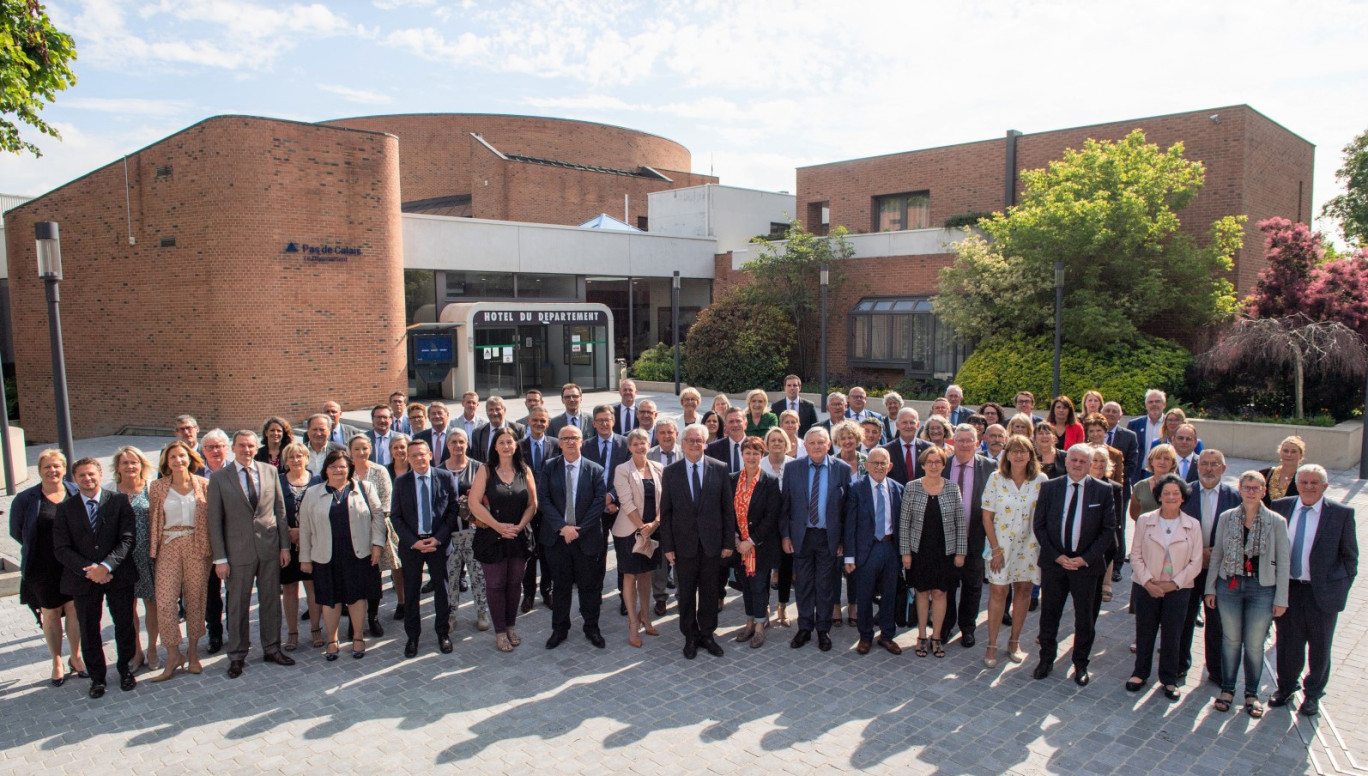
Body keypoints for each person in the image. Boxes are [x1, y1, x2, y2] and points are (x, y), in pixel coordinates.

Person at [1269, 464, 1358, 717]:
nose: (1309, 487)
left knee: (1319, 648)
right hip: (1289, 590)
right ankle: (1285, 687)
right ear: (1297, 484)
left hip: (1322, 594)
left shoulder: (1341, 514)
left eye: (1314, 483)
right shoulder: (1281, 507)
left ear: (1325, 486)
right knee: (1287, 643)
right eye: (1304, 482)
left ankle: (1313, 695)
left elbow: (1350, 558)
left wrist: (1339, 589)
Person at [207, 430, 294, 678]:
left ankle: (272, 648)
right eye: (242, 446)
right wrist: (220, 559)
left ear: (257, 448)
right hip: (237, 553)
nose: (247, 450)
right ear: (233, 448)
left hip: (269, 549)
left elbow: (280, 511)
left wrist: (284, 546)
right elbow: (215, 521)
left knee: (270, 601)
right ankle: (237, 655)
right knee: (237, 605)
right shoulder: (220, 478)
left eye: (251, 446)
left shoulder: (269, 471)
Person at [52, 457, 139, 698]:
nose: (88, 479)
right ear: (75, 479)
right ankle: (97, 678)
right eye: (82, 475)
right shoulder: (65, 509)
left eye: (91, 474)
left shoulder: (119, 501)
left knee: (124, 624)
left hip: (118, 575)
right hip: (84, 578)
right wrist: (92, 569)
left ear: (100, 475)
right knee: (89, 629)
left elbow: (128, 538)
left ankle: (125, 671)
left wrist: (107, 566)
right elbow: (61, 548)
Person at [1205, 471, 1290, 717]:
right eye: (1247, 487)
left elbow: (1283, 562)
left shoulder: (1276, 521)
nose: (1251, 491)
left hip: (1261, 589)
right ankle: (1227, 690)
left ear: (1264, 491)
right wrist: (1210, 587)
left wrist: (1281, 598)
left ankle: (1252, 694)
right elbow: (1217, 553)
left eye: (1256, 487)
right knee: (1230, 641)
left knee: (1254, 644)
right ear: (1240, 490)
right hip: (1229, 585)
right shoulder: (1227, 518)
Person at [1031, 444, 1117, 686]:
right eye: (1074, 460)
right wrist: (1057, 556)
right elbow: (1039, 526)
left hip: (1086, 567)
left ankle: (1080, 663)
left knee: (1085, 619)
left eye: (1083, 461)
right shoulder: (1050, 487)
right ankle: (1046, 659)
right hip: (1055, 564)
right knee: (1049, 615)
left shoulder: (1102, 491)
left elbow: (1108, 529)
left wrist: (1086, 558)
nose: (1077, 464)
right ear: (1066, 461)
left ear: (1090, 464)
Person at [298, 450, 385, 660]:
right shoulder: (312, 493)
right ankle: (332, 639)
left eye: (342, 466)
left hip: (358, 553)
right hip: (325, 555)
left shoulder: (364, 488)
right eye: (333, 466)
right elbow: (305, 528)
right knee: (330, 600)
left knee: (357, 597)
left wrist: (377, 545)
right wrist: (305, 558)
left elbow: (378, 517)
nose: (338, 470)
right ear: (325, 469)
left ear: (350, 469)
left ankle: (357, 636)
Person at [660, 422, 736, 659]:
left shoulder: (720, 468)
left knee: (710, 592)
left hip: (712, 544)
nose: (695, 444)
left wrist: (727, 543)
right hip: (684, 546)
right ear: (682, 444)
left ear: (705, 443)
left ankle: (707, 634)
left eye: (699, 440)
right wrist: (668, 546)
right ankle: (689, 636)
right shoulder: (671, 472)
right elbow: (667, 512)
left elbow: (727, 510)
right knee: (686, 594)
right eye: (690, 440)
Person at [1127, 474, 1204, 701]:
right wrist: (1149, 582)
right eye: (1166, 493)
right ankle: (1140, 673)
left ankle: (1169, 679)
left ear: (1183, 498)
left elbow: (1196, 561)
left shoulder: (1193, 525)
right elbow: (1136, 554)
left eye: (1176, 493)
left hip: (1179, 589)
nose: (1171, 497)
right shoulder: (1145, 520)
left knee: (1173, 634)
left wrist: (1173, 584)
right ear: (1159, 496)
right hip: (1146, 586)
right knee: (1145, 631)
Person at [10, 449, 83, 686]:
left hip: (71, 563)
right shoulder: (26, 499)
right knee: (50, 612)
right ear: (39, 471)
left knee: (74, 609)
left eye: (57, 466)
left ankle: (76, 656)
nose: (52, 471)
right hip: (41, 565)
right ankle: (57, 661)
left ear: (64, 469)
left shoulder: (75, 492)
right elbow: (17, 530)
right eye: (47, 467)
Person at [467, 427, 538, 652]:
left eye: (510, 442)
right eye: (502, 442)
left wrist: (518, 527)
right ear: (495, 447)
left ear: (516, 445)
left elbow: (533, 504)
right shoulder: (485, 470)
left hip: (518, 536)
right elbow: (474, 503)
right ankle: (499, 632)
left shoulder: (523, 469)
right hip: (491, 537)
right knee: (496, 585)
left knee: (514, 584)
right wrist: (498, 527)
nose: (506, 446)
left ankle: (511, 626)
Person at [780, 426, 850, 651]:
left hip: (829, 537)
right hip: (802, 536)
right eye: (812, 443)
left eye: (821, 442)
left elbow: (846, 509)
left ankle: (823, 629)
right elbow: (785, 506)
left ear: (829, 445)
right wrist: (786, 535)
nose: (817, 447)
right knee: (804, 584)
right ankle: (804, 627)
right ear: (805, 446)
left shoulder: (842, 469)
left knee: (826, 585)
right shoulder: (793, 468)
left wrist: (843, 540)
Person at [537, 425, 608, 649]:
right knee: (561, 586)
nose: (569, 442)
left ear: (581, 442)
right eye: (565, 438)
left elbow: (598, 503)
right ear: (559, 443)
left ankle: (591, 627)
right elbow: (544, 499)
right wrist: (563, 528)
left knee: (589, 586)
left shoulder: (595, 469)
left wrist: (577, 529)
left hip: (586, 538)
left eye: (574, 438)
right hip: (557, 539)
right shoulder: (549, 467)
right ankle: (559, 629)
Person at [146, 441, 211, 681]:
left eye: (182, 456)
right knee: (164, 602)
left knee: (195, 599)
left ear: (190, 458)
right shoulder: (157, 487)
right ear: (166, 461)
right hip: (168, 546)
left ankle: (193, 653)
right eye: (172, 457)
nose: (178, 460)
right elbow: (154, 519)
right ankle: (173, 655)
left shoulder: (204, 485)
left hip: (197, 546)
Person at [981, 435, 1048, 667]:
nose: (1018, 455)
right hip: (1000, 547)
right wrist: (996, 550)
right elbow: (987, 517)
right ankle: (991, 643)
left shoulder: (1040, 480)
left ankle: (1014, 641)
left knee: (1023, 592)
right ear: (1006, 454)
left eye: (1023, 451)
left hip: (1029, 547)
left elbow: (1044, 516)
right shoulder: (996, 478)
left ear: (1031, 454)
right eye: (1014, 451)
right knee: (998, 593)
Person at [1178, 449, 1240, 685]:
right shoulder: (1184, 492)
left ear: (1224, 469)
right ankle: (1179, 665)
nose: (1209, 469)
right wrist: (1197, 554)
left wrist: (1217, 555)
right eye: (1204, 464)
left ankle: (1216, 670)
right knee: (1184, 619)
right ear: (1198, 466)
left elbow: (1242, 534)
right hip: (1188, 567)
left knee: (1217, 623)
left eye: (1215, 464)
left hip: (1220, 570)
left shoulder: (1235, 497)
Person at [392, 440, 459, 657]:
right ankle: (413, 636)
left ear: (430, 454)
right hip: (413, 545)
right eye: (414, 456)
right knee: (411, 592)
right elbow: (396, 516)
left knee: (442, 591)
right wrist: (414, 541)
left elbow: (452, 510)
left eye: (422, 454)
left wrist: (438, 538)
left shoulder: (445, 477)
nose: (419, 459)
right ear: (408, 459)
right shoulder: (401, 482)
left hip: (438, 544)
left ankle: (443, 633)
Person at [900, 446, 966, 658]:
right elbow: (904, 523)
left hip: (945, 551)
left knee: (940, 593)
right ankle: (920, 635)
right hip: (919, 550)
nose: (934, 466)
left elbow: (960, 523)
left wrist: (960, 552)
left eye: (938, 462)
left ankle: (936, 636)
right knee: (921, 592)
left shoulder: (952, 488)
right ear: (922, 465)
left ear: (943, 465)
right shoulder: (912, 487)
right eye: (930, 462)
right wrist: (905, 553)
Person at [844, 447, 903, 655]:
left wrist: (904, 554)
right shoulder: (856, 488)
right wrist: (849, 556)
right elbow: (850, 525)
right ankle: (865, 636)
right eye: (874, 463)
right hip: (865, 549)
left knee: (889, 594)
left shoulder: (898, 489)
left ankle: (887, 636)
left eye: (883, 463)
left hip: (889, 548)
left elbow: (901, 524)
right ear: (866, 466)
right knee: (864, 594)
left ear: (890, 466)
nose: (878, 467)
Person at [944, 424, 994, 649]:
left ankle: (968, 628)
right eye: (960, 440)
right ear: (953, 442)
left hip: (975, 538)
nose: (964, 444)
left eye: (969, 440)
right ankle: (946, 625)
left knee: (972, 586)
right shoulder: (941, 465)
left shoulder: (990, 468)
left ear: (978, 443)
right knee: (947, 584)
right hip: (945, 538)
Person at [614, 429, 665, 647]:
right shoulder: (622, 470)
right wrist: (642, 528)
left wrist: (654, 524)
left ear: (649, 444)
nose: (639, 447)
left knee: (646, 574)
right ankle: (633, 624)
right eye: (635, 443)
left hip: (653, 530)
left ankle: (646, 616)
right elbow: (626, 503)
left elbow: (665, 501)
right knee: (630, 577)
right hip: (628, 532)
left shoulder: (659, 468)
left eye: (642, 442)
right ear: (629, 447)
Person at [731, 436, 782, 649]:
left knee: (759, 585)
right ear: (742, 455)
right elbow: (727, 511)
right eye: (748, 452)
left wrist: (751, 541)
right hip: (738, 545)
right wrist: (735, 538)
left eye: (756, 453)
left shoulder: (769, 481)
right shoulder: (732, 479)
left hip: (759, 546)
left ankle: (760, 626)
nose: (751, 457)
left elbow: (771, 516)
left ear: (762, 456)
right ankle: (749, 621)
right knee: (746, 585)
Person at [112, 446, 159, 674]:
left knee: (152, 604)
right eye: (125, 463)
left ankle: (152, 649)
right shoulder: (111, 493)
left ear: (142, 464)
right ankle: (136, 651)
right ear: (117, 467)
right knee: (128, 607)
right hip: (123, 559)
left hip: (149, 556)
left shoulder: (151, 489)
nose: (130, 466)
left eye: (134, 462)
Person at [442, 430, 491, 633]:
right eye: (453, 442)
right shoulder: (439, 470)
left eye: (461, 441)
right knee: (451, 576)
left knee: (478, 574)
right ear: (447, 445)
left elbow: (487, 498)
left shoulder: (478, 468)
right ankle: (451, 614)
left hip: (474, 532)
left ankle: (481, 612)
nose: (457, 446)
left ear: (467, 443)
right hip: (449, 534)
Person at [349, 434, 397, 640]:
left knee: (373, 578)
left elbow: (386, 503)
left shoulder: (379, 471)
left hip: (375, 532)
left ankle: (372, 617)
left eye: (364, 449)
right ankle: (354, 621)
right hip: (350, 533)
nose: (361, 453)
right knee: (352, 579)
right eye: (357, 449)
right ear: (350, 450)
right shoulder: (344, 470)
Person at [278, 442, 321, 650]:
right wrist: (289, 534)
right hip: (286, 544)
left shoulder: (317, 481)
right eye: (292, 457)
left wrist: (302, 532)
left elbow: (321, 511)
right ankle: (292, 632)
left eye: (300, 456)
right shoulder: (278, 482)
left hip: (312, 541)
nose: (296, 460)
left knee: (312, 586)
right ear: (286, 461)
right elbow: (274, 511)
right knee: (289, 588)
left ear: (307, 458)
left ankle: (315, 629)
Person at [520, 407, 557, 612]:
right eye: (535, 420)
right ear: (528, 421)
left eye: (543, 421)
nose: (539, 424)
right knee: (529, 553)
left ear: (548, 423)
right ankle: (528, 594)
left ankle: (547, 591)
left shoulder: (556, 445)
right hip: (527, 508)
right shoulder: (519, 446)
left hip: (549, 510)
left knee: (547, 553)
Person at [647, 418, 682, 617]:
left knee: (680, 557)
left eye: (670, 432)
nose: (667, 436)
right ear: (656, 435)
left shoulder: (685, 453)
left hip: (681, 516)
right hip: (656, 516)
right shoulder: (649, 455)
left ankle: (681, 593)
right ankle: (660, 597)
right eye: (662, 432)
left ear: (677, 434)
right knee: (658, 559)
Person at [200, 428, 231, 653]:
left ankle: (236, 630)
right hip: (206, 542)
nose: (215, 451)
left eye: (219, 446)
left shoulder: (237, 471)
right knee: (211, 592)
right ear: (203, 451)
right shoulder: (196, 475)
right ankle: (215, 633)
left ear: (226, 448)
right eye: (210, 447)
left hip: (234, 540)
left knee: (235, 590)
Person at [761, 427, 796, 626]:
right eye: (772, 440)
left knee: (785, 567)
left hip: (788, 526)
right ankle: (764, 607)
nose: (776, 443)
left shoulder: (794, 465)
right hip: (766, 526)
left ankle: (782, 606)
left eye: (780, 440)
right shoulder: (760, 465)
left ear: (786, 444)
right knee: (764, 568)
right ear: (767, 444)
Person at [1087, 445, 1126, 605]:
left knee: (1108, 543)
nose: (1098, 464)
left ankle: (1106, 583)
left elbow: (1117, 517)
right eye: (1095, 460)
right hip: (1085, 531)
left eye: (1102, 461)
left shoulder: (1114, 487)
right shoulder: (1082, 483)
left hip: (1104, 530)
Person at [1126, 389, 1168, 483]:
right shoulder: (1135, 424)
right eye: (1150, 402)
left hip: (1163, 473)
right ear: (1146, 405)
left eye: (1157, 401)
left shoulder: (1170, 424)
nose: (1154, 404)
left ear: (1164, 404)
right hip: (1139, 473)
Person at [470, 395, 526, 463]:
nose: (494, 413)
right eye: (491, 410)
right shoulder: (478, 433)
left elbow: (522, 457)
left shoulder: (518, 430)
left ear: (504, 410)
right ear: (486, 412)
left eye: (497, 409)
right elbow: (476, 461)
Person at [1130, 444, 1179, 521]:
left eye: (1166, 459)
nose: (1162, 462)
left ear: (1173, 463)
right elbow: (1134, 514)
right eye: (1158, 458)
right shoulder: (1140, 486)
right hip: (1146, 530)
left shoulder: (1180, 486)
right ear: (1151, 461)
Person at [883, 407, 929, 486]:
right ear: (897, 425)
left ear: (918, 425)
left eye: (912, 422)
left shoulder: (928, 448)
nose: (908, 426)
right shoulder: (886, 450)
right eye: (904, 422)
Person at [1259, 435, 1305, 505]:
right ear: (1280, 452)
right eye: (1285, 451)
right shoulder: (1264, 474)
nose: (1289, 455)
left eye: (1293, 452)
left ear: (1301, 455)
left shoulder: (1304, 478)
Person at [708, 406, 751, 474]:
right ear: (725, 426)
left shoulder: (757, 446)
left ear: (745, 424)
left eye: (738, 421)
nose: (735, 425)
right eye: (731, 421)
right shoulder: (713, 449)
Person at [414, 401, 455, 468]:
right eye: (433, 414)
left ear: (447, 415)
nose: (436, 416)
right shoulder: (419, 437)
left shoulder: (456, 435)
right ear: (429, 417)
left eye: (439, 413)